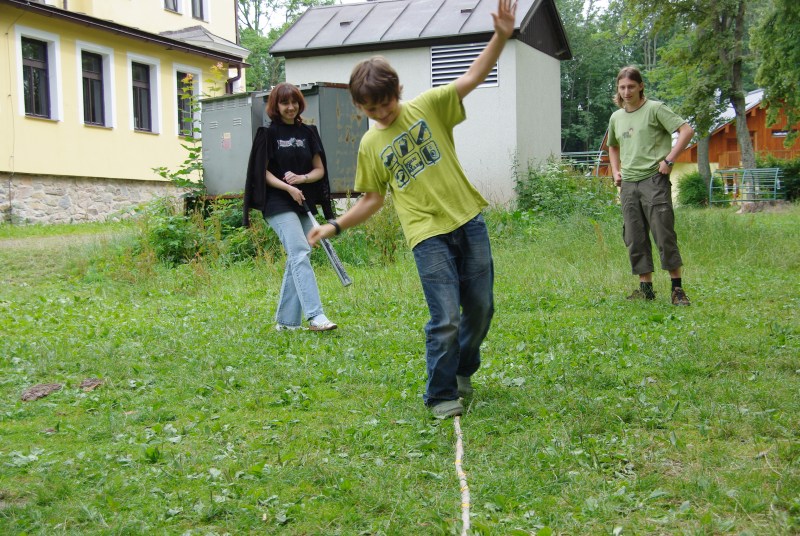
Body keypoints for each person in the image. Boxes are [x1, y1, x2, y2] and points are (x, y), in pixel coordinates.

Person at [308, 0, 518, 418]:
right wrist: (334, 226)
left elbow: (474, 76)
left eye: (385, 104)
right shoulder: (370, 144)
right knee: (445, 318)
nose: (381, 114)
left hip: (468, 220)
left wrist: (501, 35)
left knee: (480, 307)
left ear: (397, 92)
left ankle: (462, 369)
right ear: (359, 107)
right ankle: (441, 394)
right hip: (426, 236)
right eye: (370, 110)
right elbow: (372, 199)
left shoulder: (430, 106)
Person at [243, 82, 337, 331]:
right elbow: (261, 173)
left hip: (301, 200)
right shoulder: (268, 134)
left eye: (294, 102)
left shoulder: (309, 133)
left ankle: (285, 323)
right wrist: (288, 187)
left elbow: (319, 171)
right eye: (285, 103)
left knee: (299, 254)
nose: (291, 107)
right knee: (299, 252)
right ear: (276, 106)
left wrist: (302, 180)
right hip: (277, 201)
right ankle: (316, 316)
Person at [607, 66, 694, 306]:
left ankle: (677, 290)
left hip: (653, 180)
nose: (626, 91)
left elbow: (686, 131)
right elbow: (612, 146)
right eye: (622, 87)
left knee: (663, 234)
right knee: (634, 236)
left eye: (631, 86)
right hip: (628, 184)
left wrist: (669, 160)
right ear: (618, 88)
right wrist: (616, 171)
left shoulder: (655, 109)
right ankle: (645, 288)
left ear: (640, 86)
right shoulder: (617, 117)